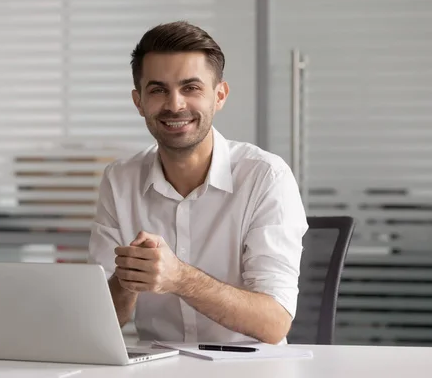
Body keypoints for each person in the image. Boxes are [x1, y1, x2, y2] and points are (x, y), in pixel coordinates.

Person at [88, 21, 308, 345]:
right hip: (158, 368)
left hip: (247, 369)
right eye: (158, 89)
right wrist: (127, 279)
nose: (175, 104)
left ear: (219, 96)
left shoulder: (265, 177)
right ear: (139, 102)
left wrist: (179, 277)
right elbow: (99, 321)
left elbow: (275, 323)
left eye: (191, 88)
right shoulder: (119, 181)